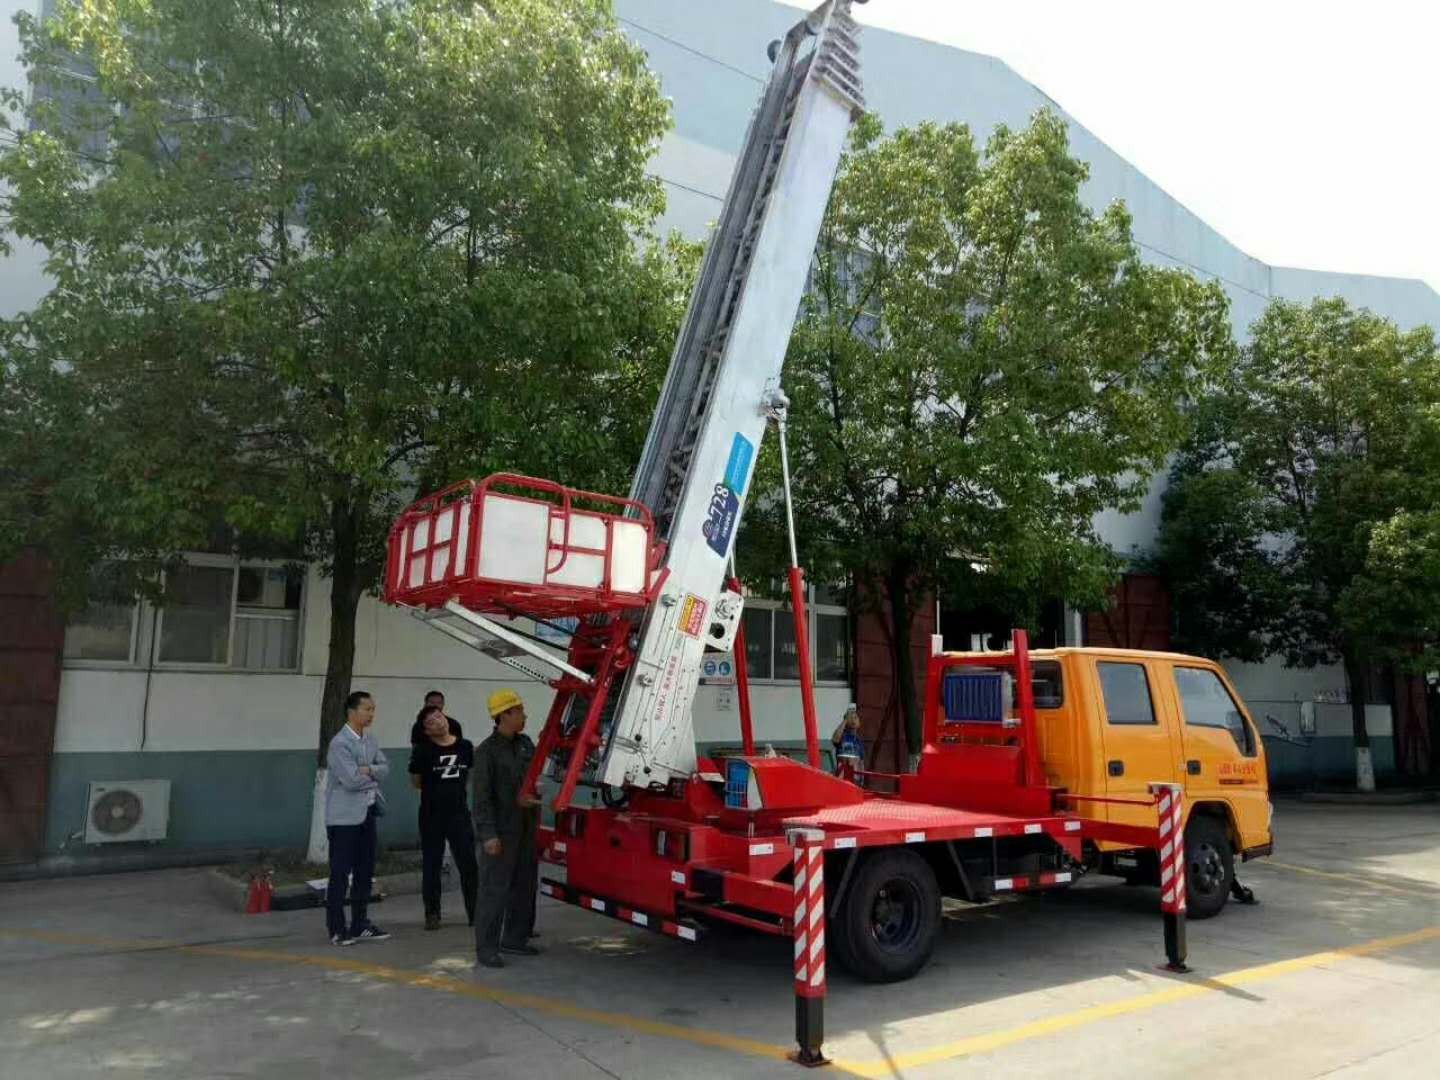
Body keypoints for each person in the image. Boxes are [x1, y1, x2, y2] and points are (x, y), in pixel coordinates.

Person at [473, 688, 542, 969]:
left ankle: (515, 938)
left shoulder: (525, 744)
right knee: (495, 889)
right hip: (501, 830)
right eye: (519, 711)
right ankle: (487, 947)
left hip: (526, 826)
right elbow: (481, 797)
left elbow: (534, 774)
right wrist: (488, 834)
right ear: (504, 715)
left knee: (524, 883)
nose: (525, 716)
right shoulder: (487, 752)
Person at [324, 690, 391, 946]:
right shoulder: (340, 743)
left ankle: (360, 923)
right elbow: (350, 780)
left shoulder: (370, 740)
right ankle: (337, 927)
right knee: (340, 873)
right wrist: (368, 775)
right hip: (343, 819)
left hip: (367, 813)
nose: (371, 714)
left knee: (365, 872)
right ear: (352, 711)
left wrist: (369, 770)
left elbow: (385, 769)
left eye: (373, 709)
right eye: (367, 709)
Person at [410, 704, 480, 931]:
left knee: (468, 863)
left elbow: (468, 775)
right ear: (426, 731)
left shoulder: (465, 747)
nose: (437, 722)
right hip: (431, 816)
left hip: (459, 814)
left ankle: (476, 912)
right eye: (430, 722)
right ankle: (432, 913)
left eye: (439, 717)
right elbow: (417, 782)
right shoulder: (423, 751)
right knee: (432, 864)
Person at [831, 703, 864, 783]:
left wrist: (862, 779)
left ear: (859, 723)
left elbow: (861, 762)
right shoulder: (843, 737)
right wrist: (845, 720)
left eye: (855, 718)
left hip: (855, 779)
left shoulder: (859, 741)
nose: (853, 720)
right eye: (851, 718)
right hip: (841, 779)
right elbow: (835, 739)